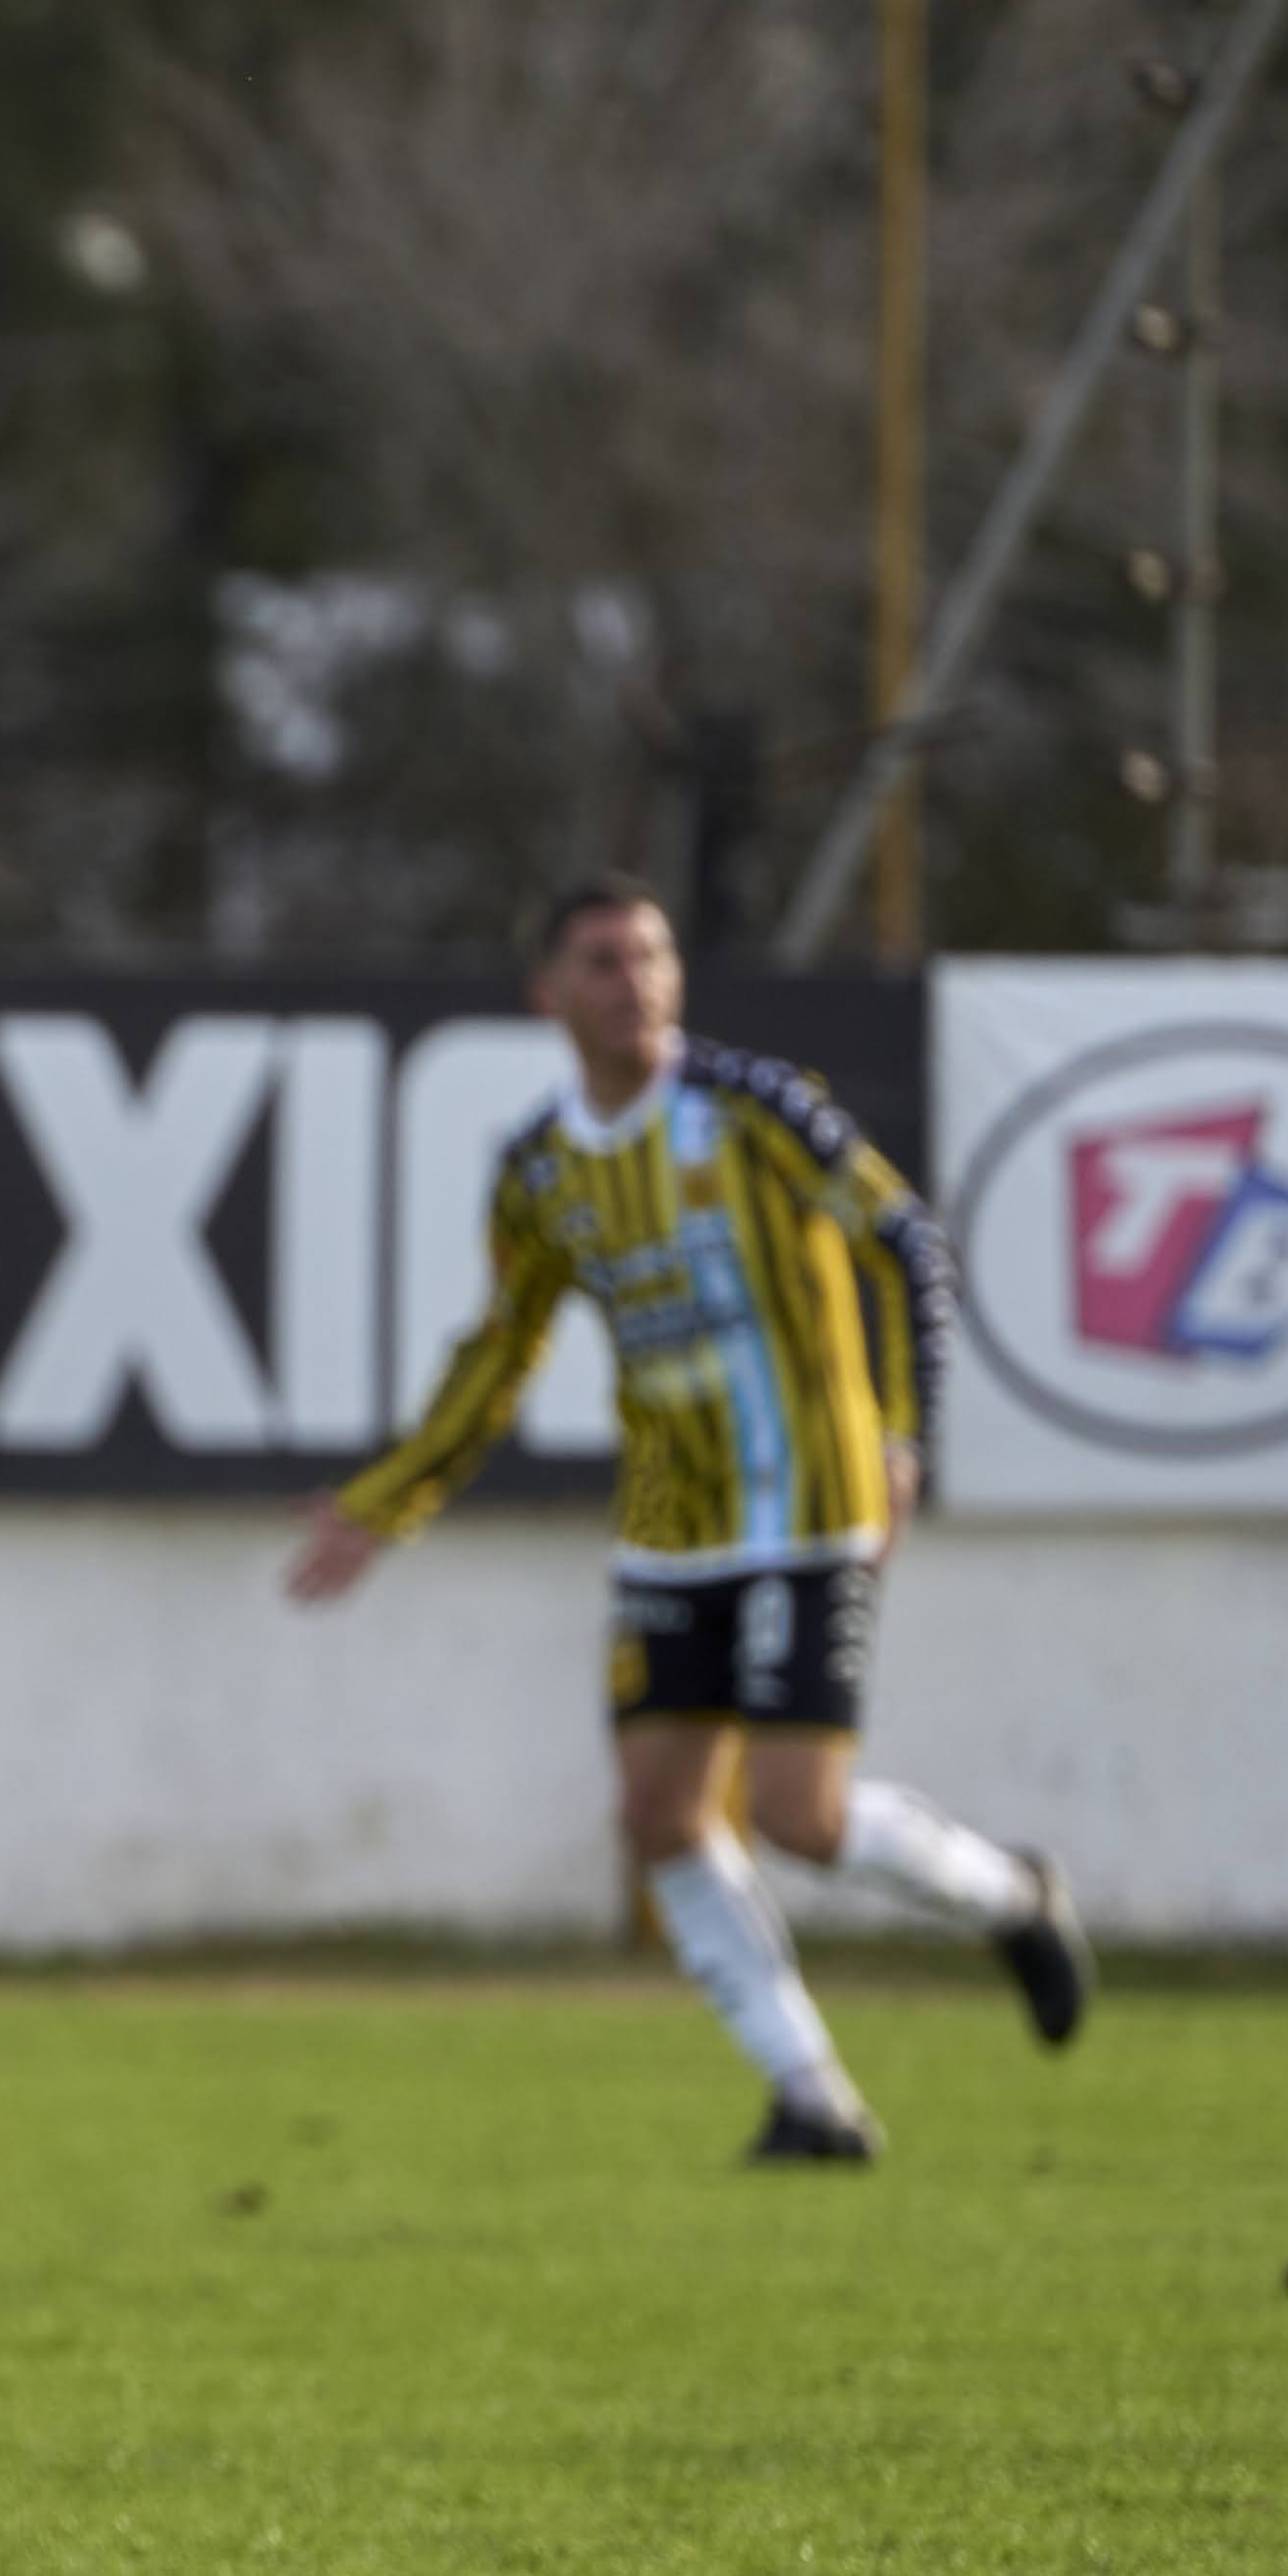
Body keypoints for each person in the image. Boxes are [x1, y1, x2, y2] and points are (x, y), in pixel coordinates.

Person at [285, 875, 1088, 2160]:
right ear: (548, 993)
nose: (638, 981)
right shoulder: (542, 1169)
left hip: (814, 1502)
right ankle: (811, 2093)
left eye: (654, 954)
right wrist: (387, 1504)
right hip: (672, 1524)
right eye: (604, 960)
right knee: (658, 1813)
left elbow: (905, 1240)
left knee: (797, 1816)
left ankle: (1012, 1894)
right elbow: (498, 1354)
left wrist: (903, 1430)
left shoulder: (752, 1107)